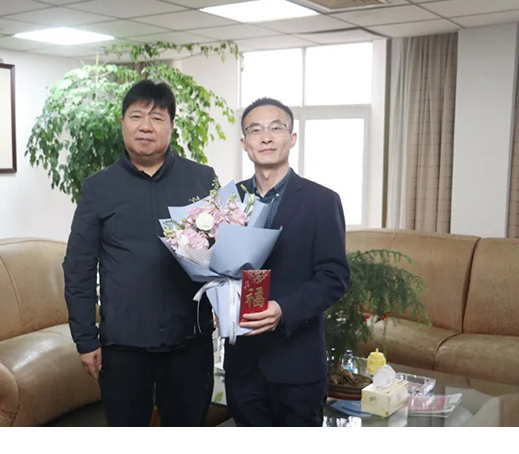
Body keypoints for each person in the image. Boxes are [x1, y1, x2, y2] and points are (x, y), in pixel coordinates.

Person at [63, 80, 216, 427]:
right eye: (136, 116)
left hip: (189, 342)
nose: (146, 126)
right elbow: (78, 268)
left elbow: (222, 255)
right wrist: (85, 339)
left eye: (157, 118)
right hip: (123, 346)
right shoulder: (98, 188)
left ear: (172, 125)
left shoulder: (201, 180)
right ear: (122, 123)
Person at [224, 97, 350, 426]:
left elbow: (334, 277)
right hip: (242, 366)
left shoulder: (322, 201)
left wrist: (283, 309)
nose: (266, 137)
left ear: (292, 138)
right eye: (255, 130)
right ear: (245, 143)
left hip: (297, 367)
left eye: (276, 128)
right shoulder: (229, 201)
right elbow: (217, 268)